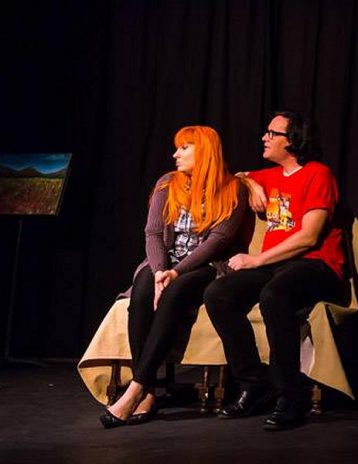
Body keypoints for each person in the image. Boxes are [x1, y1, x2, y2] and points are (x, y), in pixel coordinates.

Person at [100, 126, 253, 428]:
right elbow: (154, 233)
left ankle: (137, 388)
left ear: (204, 151)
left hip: (205, 267)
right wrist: (159, 270)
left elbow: (217, 242)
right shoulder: (167, 183)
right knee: (142, 289)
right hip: (163, 263)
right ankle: (146, 390)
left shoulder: (233, 190)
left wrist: (175, 272)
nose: (175, 154)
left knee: (175, 290)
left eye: (184, 148)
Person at [204, 111, 345, 431]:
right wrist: (251, 182)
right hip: (278, 265)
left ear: (293, 141)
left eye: (272, 133)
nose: (264, 138)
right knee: (218, 293)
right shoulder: (271, 175)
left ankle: (290, 396)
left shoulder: (318, 174)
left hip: (317, 265)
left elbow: (309, 237)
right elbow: (233, 175)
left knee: (274, 294)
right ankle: (253, 384)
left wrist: (256, 260)